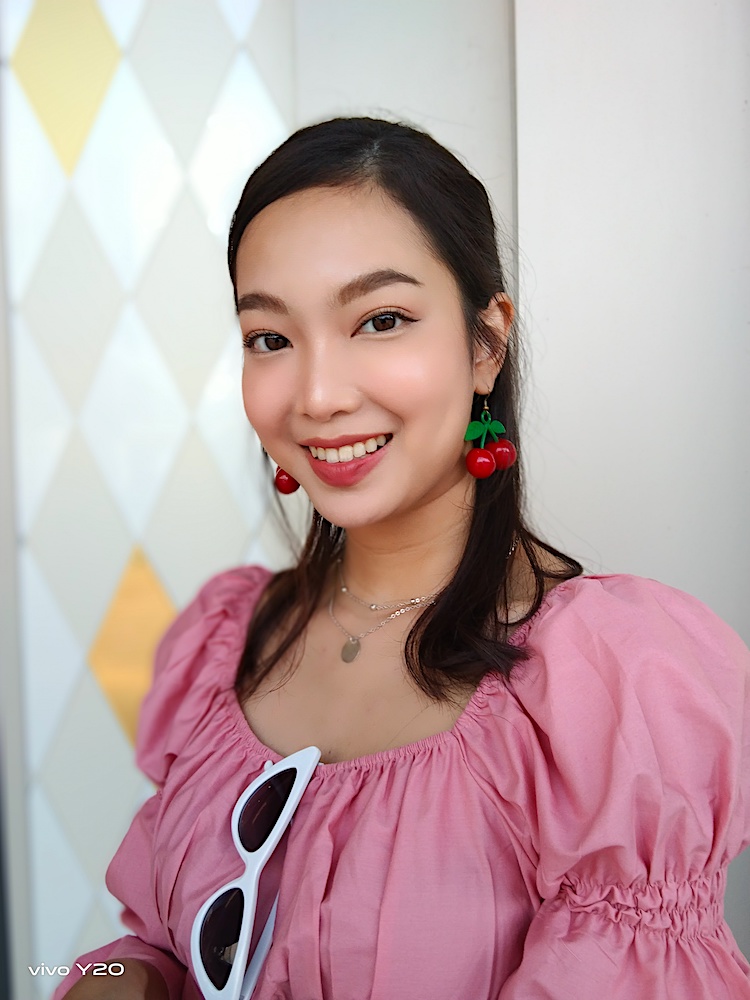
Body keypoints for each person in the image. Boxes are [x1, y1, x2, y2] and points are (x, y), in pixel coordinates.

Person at [54, 117, 750, 1000]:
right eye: (270, 337)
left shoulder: (608, 685)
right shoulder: (229, 640)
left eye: (380, 320)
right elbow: (165, 943)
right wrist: (123, 979)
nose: (317, 396)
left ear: (485, 343)